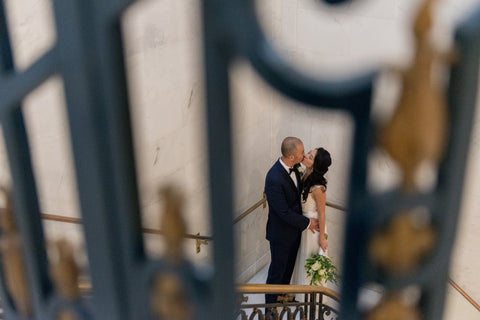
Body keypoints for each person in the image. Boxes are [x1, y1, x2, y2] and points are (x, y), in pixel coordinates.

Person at [264, 137, 319, 307]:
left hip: (294, 232)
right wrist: (308, 222)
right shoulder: (273, 178)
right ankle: (270, 311)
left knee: (288, 270)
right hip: (281, 235)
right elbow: (284, 213)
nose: (304, 155)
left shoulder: (296, 167)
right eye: (302, 152)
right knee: (277, 274)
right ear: (291, 157)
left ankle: (282, 298)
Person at [291, 147, 332, 287]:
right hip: (303, 224)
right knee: (300, 258)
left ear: (316, 164)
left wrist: (322, 238)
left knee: (309, 258)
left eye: (311, 156)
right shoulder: (303, 174)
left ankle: (310, 296)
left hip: (314, 229)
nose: (306, 155)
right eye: (309, 152)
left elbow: (322, 213)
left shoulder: (319, 188)